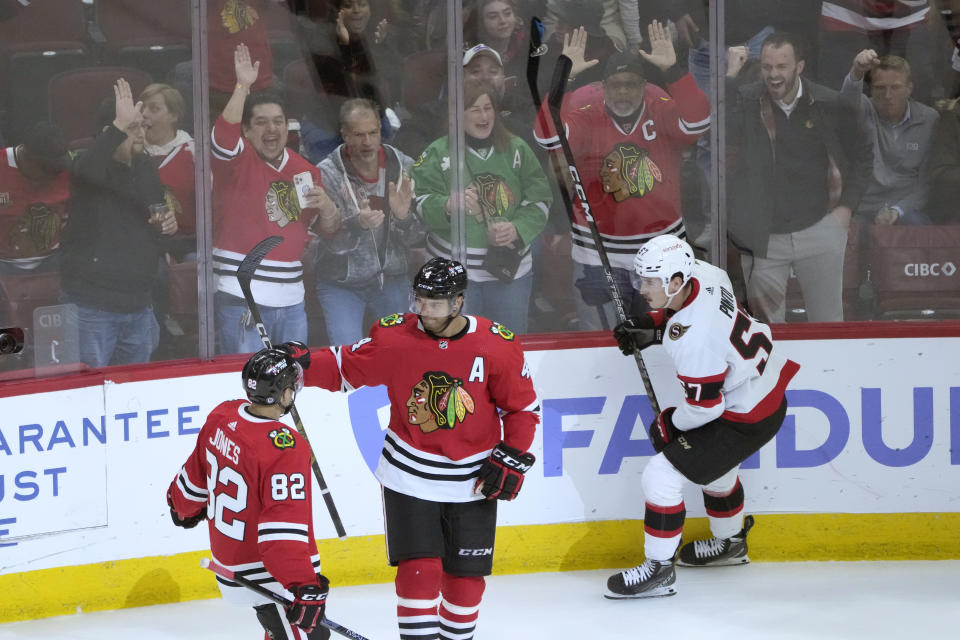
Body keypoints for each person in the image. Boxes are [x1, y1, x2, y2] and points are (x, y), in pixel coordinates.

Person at [282, 257, 541, 640]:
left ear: (458, 303)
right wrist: (300, 364)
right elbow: (345, 368)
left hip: (473, 479)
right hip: (408, 475)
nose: (423, 310)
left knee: (466, 581)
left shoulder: (496, 345)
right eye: (419, 300)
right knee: (419, 572)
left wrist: (515, 453)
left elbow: (521, 407)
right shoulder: (395, 338)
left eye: (434, 303)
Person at [604, 235, 800, 599]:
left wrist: (670, 422)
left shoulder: (692, 341)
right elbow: (693, 316)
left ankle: (659, 570)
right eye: (642, 279)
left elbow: (706, 409)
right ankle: (730, 545)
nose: (641, 288)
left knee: (661, 475)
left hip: (744, 415)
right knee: (718, 469)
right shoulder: (709, 274)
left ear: (675, 282)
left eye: (649, 281)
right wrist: (654, 325)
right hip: (766, 396)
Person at [533, 21, 710, 331]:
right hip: (598, 254)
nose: (623, 92)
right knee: (599, 341)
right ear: (603, 86)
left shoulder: (658, 101)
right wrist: (565, 75)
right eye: (615, 84)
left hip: (662, 250)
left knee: (666, 338)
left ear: (643, 85)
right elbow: (547, 136)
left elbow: (697, 124)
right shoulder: (585, 106)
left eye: (631, 84)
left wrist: (674, 71)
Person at [166, 346, 332, 639]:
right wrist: (302, 585)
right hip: (267, 574)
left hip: (229, 564)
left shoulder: (223, 415)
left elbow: (195, 475)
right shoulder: (285, 447)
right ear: (283, 395)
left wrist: (183, 506)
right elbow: (282, 530)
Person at [725, 31, 872, 324]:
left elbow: (863, 156)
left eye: (782, 66)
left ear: (799, 66)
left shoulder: (829, 103)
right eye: (767, 67)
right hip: (763, 236)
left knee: (828, 325)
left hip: (820, 228)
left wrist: (846, 208)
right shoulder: (746, 101)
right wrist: (730, 76)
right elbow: (718, 133)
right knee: (765, 332)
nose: (773, 75)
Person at [211, 43, 340, 355]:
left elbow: (329, 230)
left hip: (292, 302)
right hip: (242, 297)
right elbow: (222, 136)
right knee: (247, 386)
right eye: (261, 122)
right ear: (247, 131)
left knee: (289, 386)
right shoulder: (237, 160)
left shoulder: (306, 171)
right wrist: (243, 85)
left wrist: (327, 207)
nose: (272, 128)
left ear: (288, 126)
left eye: (278, 121)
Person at [414, 81, 552, 333]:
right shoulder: (437, 153)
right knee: (455, 350)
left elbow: (540, 199)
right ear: (457, 114)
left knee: (507, 347)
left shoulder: (517, 149)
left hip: (509, 273)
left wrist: (517, 228)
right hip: (452, 275)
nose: (484, 116)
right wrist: (446, 205)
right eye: (474, 109)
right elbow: (419, 203)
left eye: (488, 108)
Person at [60, 79, 179, 367]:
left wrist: (167, 226)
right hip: (92, 307)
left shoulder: (145, 167)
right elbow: (87, 170)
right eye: (132, 128)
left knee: (134, 393)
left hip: (139, 304)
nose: (142, 134)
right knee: (87, 391)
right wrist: (117, 128)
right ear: (108, 134)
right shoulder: (86, 168)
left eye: (143, 127)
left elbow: (155, 217)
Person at [314, 98, 422, 345]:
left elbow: (418, 237)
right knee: (348, 355)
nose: (367, 141)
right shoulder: (326, 173)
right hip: (341, 283)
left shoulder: (403, 166)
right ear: (344, 135)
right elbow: (331, 243)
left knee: (402, 352)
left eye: (373, 133)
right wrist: (356, 224)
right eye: (358, 134)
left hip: (392, 278)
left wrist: (404, 218)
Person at [841, 50, 939, 226]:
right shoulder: (864, 109)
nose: (887, 96)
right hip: (863, 207)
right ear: (871, 89)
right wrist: (857, 71)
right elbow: (846, 105)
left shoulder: (929, 119)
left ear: (910, 88)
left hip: (907, 209)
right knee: (847, 233)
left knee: (918, 227)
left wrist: (897, 210)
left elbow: (927, 181)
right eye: (880, 88)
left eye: (895, 87)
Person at [0, 121, 71, 277]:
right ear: (26, 155)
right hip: (3, 263)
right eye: (46, 168)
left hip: (54, 260)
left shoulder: (65, 170)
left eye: (56, 168)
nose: (52, 174)